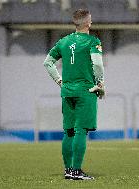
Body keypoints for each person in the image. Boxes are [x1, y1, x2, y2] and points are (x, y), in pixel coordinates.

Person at [43, 9, 105, 180]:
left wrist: (59, 81)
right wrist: (100, 83)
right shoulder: (93, 41)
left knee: (68, 131)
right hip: (86, 91)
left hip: (67, 90)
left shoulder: (63, 41)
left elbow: (47, 62)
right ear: (88, 23)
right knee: (80, 131)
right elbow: (98, 65)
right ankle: (76, 171)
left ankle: (68, 170)